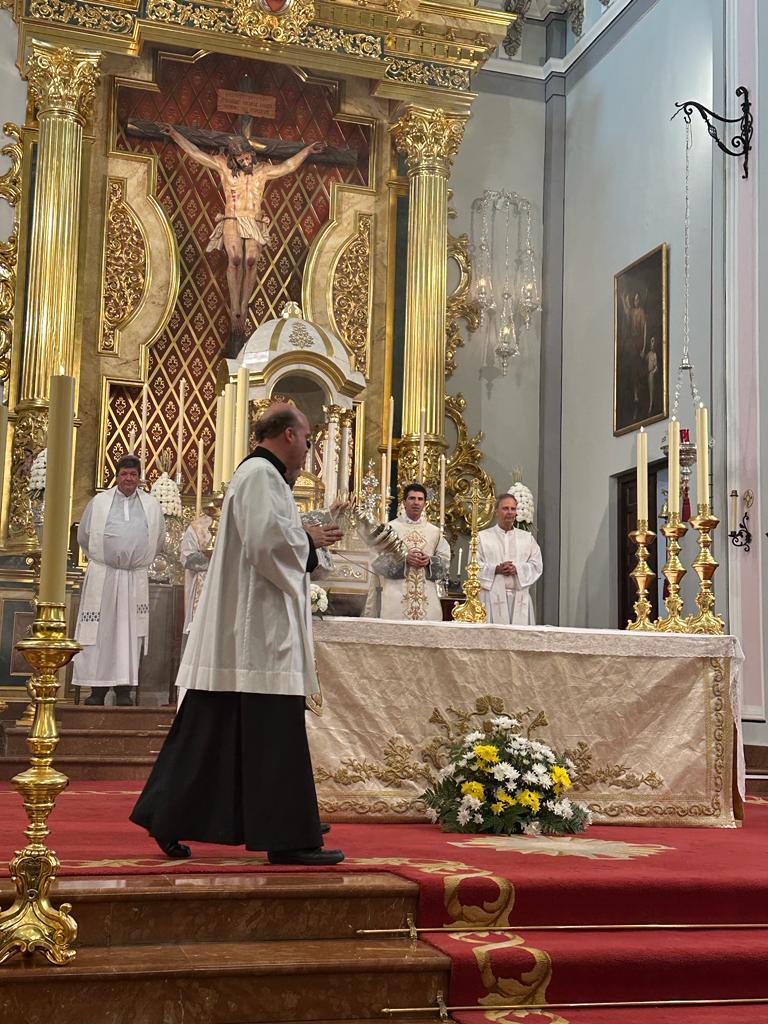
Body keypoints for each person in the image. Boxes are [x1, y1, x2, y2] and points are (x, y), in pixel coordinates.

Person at [130, 404, 345, 865]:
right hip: (257, 633)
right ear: (289, 435)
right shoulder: (261, 477)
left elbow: (270, 539)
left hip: (251, 631)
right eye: (308, 438)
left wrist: (305, 537)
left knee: (213, 731)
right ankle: (288, 838)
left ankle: (167, 814)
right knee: (269, 735)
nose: (309, 449)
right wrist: (309, 540)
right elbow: (268, 543)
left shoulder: (262, 477)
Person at [160, 125, 323, 335]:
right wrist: (174, 135)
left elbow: (288, 166)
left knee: (251, 260)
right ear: (233, 158)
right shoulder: (223, 167)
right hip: (232, 218)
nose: (245, 161)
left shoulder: (262, 171)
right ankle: (235, 307)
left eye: (247, 157)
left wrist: (307, 151)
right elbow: (196, 153)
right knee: (236, 259)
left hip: (254, 220)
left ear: (252, 154)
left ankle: (244, 305)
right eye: (240, 159)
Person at [72, 455, 165, 706]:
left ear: (139, 478)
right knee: (100, 633)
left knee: (129, 634)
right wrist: (105, 558)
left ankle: (124, 690)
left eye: (133, 474)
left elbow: (158, 539)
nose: (129, 479)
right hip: (104, 576)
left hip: (134, 578)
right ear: (116, 476)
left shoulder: (151, 505)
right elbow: (84, 536)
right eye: (124, 474)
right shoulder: (99, 503)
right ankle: (97, 691)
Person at [366, 483, 450, 621]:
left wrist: (429, 561)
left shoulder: (434, 532)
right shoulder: (389, 529)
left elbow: (445, 562)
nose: (416, 502)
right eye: (412, 498)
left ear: (425, 503)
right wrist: (404, 560)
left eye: (420, 499)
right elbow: (376, 560)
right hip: (395, 598)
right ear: (404, 502)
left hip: (427, 599)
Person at [477, 494, 543, 625]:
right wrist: (496, 569)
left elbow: (537, 565)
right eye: (505, 508)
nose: (510, 512)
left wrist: (517, 569)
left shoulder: (527, 538)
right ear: (496, 511)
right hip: (491, 599)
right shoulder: (482, 538)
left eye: (513, 509)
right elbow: (473, 566)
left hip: (520, 598)